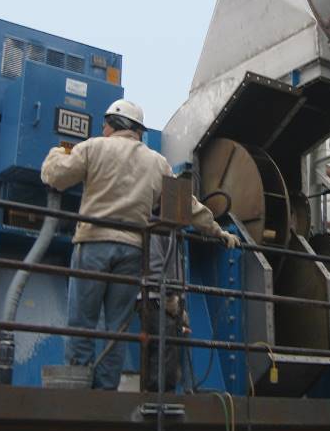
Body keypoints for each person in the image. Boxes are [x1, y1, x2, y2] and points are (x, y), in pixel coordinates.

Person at [41, 99, 239, 390]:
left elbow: (56, 177)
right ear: (137, 130)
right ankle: (106, 390)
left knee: (82, 322)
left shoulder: (93, 147)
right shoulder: (156, 162)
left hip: (93, 243)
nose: (102, 128)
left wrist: (56, 153)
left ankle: (77, 388)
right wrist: (218, 231)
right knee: (118, 328)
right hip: (133, 251)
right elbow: (187, 206)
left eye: (105, 124)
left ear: (112, 125)